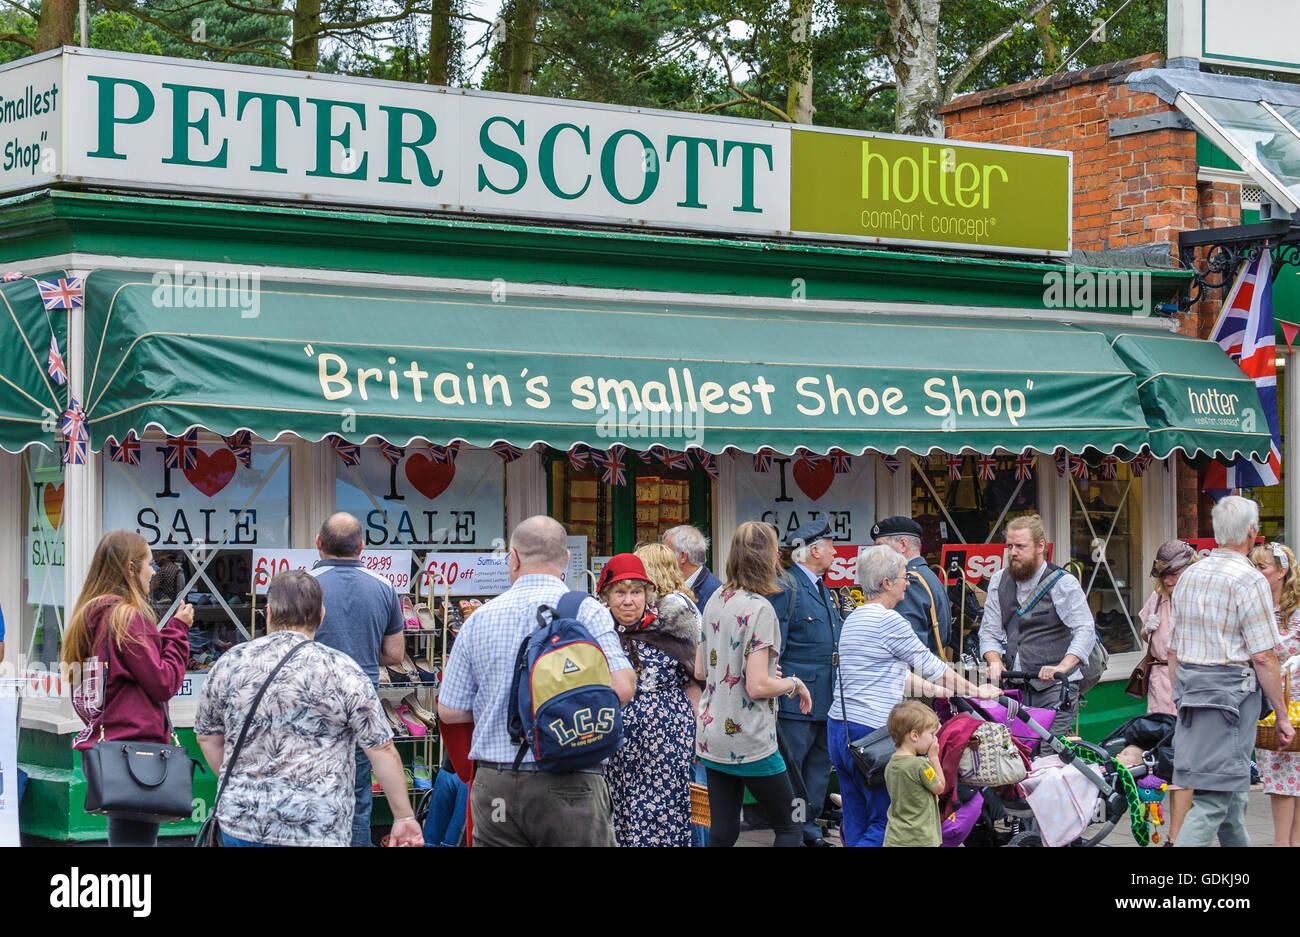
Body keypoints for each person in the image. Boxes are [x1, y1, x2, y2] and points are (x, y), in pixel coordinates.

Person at [436, 516, 636, 846]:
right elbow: (622, 688)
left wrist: (500, 704)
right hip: (572, 779)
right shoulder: (587, 611)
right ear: (567, 559)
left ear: (512, 558)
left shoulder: (479, 618)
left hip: (497, 783)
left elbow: (450, 710)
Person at [194, 570, 422, 847]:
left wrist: (245, 784)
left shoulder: (231, 662)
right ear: (322, 616)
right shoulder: (342, 670)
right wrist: (403, 817)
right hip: (318, 824)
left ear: (267, 612)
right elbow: (380, 748)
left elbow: (207, 735)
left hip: (244, 821)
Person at [829, 545, 998, 847]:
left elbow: (892, 673)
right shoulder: (888, 621)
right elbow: (932, 665)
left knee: (856, 817)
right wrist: (977, 690)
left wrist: (938, 692)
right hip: (872, 734)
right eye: (903, 577)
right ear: (886, 583)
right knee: (888, 818)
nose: (908, 583)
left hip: (840, 731)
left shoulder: (854, 618)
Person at [1169, 495, 1294, 847]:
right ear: (1253, 531)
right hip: (1231, 698)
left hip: (1193, 692)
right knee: (1213, 801)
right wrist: (1282, 715)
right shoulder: (1250, 580)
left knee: (1232, 797)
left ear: (1216, 530)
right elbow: (1264, 657)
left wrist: (1180, 695)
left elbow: (1173, 648)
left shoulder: (1190, 574)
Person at [63, 530, 193, 847]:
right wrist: (177, 631)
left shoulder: (88, 616)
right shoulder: (126, 618)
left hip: (109, 749)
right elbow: (163, 683)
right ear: (130, 568)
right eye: (150, 563)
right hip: (138, 752)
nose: (155, 571)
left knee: (124, 839)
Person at [696, 521, 811, 847]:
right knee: (792, 825)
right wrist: (793, 683)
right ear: (769, 558)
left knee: (722, 831)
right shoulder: (760, 609)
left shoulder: (717, 596)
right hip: (749, 737)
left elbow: (701, 669)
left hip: (712, 734)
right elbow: (758, 686)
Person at [306, 512, 406, 847]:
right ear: (361, 546)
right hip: (363, 707)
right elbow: (395, 654)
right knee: (358, 800)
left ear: (318, 543)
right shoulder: (383, 587)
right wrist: (360, 647)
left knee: (308, 796)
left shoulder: (302, 586)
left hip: (310, 705)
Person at [599, 549, 697, 846]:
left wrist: (700, 734)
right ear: (606, 595)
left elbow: (695, 681)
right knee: (618, 814)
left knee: (666, 816)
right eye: (620, 592)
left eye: (636, 592)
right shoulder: (597, 633)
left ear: (648, 594)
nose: (628, 600)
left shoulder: (671, 630)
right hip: (614, 747)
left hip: (667, 745)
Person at [979, 514, 1096, 736]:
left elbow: (1084, 630)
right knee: (1017, 751)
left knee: (1046, 751)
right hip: (1015, 686)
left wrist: (1062, 667)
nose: (1012, 553)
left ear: (1040, 546)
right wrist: (994, 661)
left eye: (1020, 546)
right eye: (1009, 546)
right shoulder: (999, 580)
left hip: (1054, 687)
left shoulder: (1063, 583)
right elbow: (989, 632)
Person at [770, 519, 841, 847]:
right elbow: (776, 648)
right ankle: (793, 831)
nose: (834, 551)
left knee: (816, 769)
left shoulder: (821, 587)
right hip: (795, 699)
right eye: (830, 545)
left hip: (824, 697)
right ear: (814, 550)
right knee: (793, 771)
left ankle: (809, 828)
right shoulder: (786, 586)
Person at [1136, 538, 1198, 845]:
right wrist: (1147, 628)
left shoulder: (1201, 598)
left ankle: (1177, 836)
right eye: (1165, 575)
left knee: (1183, 762)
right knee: (1165, 760)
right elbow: (1144, 632)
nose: (1169, 580)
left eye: (1175, 573)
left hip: (1190, 682)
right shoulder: (1159, 598)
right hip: (1160, 682)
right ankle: (1170, 831)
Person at [1248, 541, 1300, 847]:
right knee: (1278, 777)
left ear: (1281, 572)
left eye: (1262, 567)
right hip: (1270, 700)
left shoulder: (1296, 609)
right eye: (1253, 566)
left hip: (1298, 696)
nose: (1256, 572)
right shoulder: (1256, 606)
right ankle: (1282, 843)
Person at [874, 515, 951, 657]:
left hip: (916, 673)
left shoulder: (909, 581)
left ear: (903, 545)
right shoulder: (927, 575)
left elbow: (907, 646)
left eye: (880, 547)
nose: (876, 553)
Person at [883, 701, 945, 848]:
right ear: (914, 736)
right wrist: (934, 757)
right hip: (920, 838)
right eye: (931, 734)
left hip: (895, 837)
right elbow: (940, 787)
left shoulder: (890, 765)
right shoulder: (921, 766)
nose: (934, 739)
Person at [663, 525, 722, 610]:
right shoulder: (674, 584)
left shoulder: (714, 594)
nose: (662, 557)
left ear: (683, 556)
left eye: (666, 552)